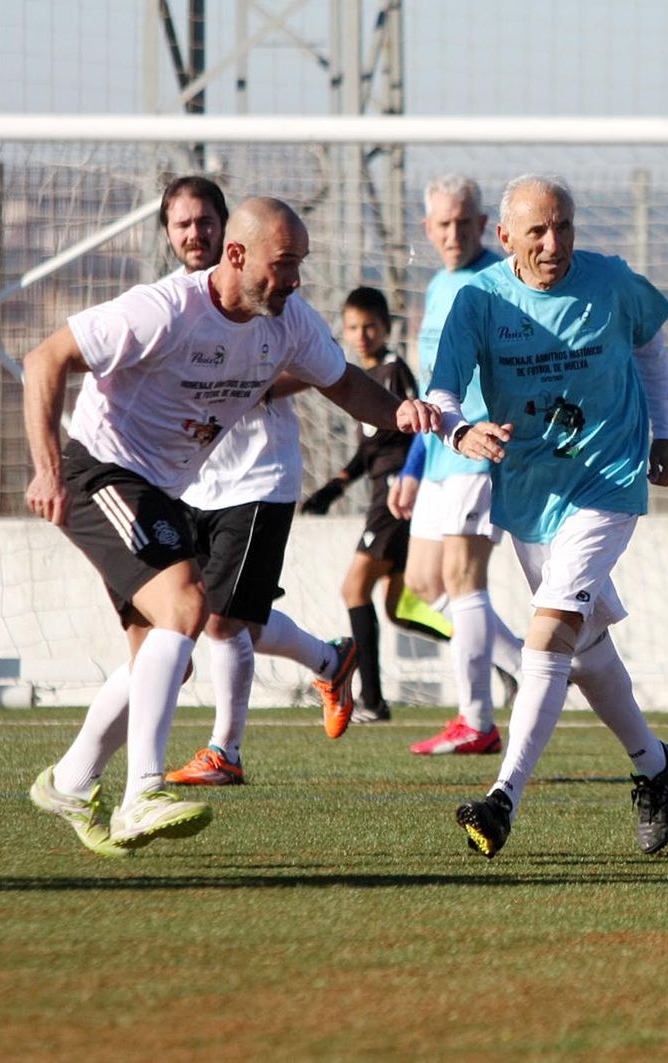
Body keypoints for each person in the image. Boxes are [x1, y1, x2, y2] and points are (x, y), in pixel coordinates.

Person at [24, 197, 437, 855]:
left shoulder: (289, 322)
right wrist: (47, 469)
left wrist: (401, 413)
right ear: (236, 255)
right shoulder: (164, 310)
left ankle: (72, 779)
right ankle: (143, 793)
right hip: (99, 472)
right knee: (190, 607)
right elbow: (44, 358)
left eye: (301, 263)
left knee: (165, 656)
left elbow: (345, 384)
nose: (295, 279)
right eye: (285, 263)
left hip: (163, 491)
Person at [75, 177, 362, 796]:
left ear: (228, 233)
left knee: (221, 621)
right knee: (197, 627)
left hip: (255, 475)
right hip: (181, 485)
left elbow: (322, 370)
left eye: (204, 221)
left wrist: (252, 379)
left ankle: (219, 753)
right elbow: (71, 358)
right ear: (169, 233)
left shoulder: (272, 305)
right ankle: (328, 658)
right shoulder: (168, 306)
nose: (194, 233)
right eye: (182, 224)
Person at [429, 174, 668, 860]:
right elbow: (443, 392)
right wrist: (462, 432)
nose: (553, 243)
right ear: (504, 237)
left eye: (563, 226)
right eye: (537, 231)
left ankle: (503, 797)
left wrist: (666, 431)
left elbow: (649, 343)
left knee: (548, 634)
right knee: (585, 643)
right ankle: (656, 766)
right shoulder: (479, 300)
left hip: (608, 480)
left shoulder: (611, 281)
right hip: (530, 492)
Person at [389, 175, 524, 756]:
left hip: (480, 452)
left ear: (483, 224)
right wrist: (413, 465)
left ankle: (476, 719)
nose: (453, 233)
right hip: (440, 454)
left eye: (463, 222)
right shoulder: (437, 285)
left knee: (465, 580)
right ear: (428, 228)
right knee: (422, 582)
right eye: (443, 224)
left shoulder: (499, 281)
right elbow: (433, 387)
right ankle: (531, 666)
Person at [299, 287, 443, 723]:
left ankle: (372, 701)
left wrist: (412, 480)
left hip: (396, 497)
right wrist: (334, 488)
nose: (361, 336)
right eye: (353, 328)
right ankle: (499, 659)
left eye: (370, 327)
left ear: (385, 328)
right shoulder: (361, 380)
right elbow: (367, 452)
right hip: (386, 494)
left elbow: (417, 432)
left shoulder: (394, 372)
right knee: (399, 609)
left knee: (354, 589)